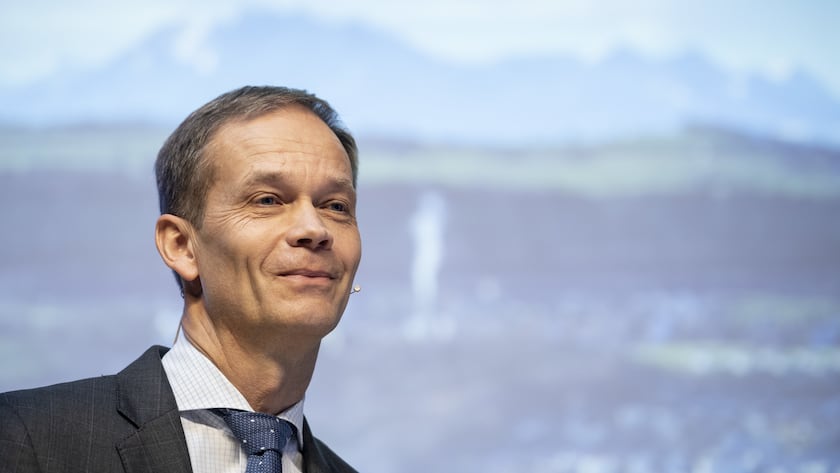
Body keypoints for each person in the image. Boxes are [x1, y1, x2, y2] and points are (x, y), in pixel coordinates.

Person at [0, 86, 362, 473]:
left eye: (336, 206)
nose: (314, 228)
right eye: (268, 200)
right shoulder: (28, 437)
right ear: (182, 246)